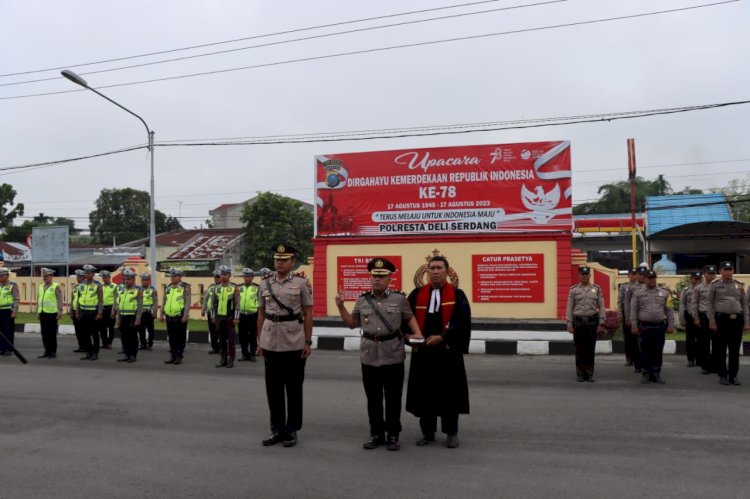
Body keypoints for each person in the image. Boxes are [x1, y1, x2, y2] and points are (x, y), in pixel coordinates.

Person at [336, 257, 422, 451]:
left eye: (381, 276)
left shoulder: (399, 299)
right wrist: (341, 306)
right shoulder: (362, 299)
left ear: (389, 279)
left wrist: (417, 333)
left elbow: (409, 317)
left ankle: (393, 434)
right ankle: (377, 434)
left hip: (393, 353)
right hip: (369, 355)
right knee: (373, 398)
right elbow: (352, 324)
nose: (377, 280)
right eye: (374, 276)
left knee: (393, 397)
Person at [406, 255, 471, 449]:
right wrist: (408, 336)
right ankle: (427, 432)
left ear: (447, 271)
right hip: (424, 353)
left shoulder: (458, 295)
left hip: (448, 353)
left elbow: (462, 322)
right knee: (425, 393)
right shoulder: (416, 295)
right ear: (427, 272)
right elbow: (405, 318)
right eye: (431, 268)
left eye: (439, 268)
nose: (435, 272)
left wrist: (443, 337)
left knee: (449, 394)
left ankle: (451, 433)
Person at [257, 243, 313, 448]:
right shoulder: (264, 283)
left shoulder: (301, 283)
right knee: (273, 389)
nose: (279, 262)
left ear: (292, 262)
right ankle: (277, 429)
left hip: (294, 341)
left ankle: (291, 429)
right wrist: (260, 341)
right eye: (277, 259)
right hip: (271, 340)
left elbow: (308, 313)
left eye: (284, 259)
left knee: (293, 388)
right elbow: (261, 313)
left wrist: (307, 341)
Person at [707, 261, 749, 386]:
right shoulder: (714, 285)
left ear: (733, 271)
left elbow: (744, 304)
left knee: (734, 350)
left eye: (730, 269)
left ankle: (733, 375)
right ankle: (723, 375)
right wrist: (712, 321)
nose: (728, 272)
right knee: (721, 349)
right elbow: (709, 304)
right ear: (720, 271)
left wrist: (747, 322)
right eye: (725, 269)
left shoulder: (739, 285)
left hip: (737, 320)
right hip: (721, 320)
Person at [631, 270, 674, 384]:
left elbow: (669, 310)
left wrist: (670, 325)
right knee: (644, 351)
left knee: (658, 351)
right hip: (644, 327)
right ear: (645, 279)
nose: (652, 280)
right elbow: (634, 311)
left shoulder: (664, 293)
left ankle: (656, 373)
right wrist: (634, 326)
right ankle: (645, 373)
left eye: (653, 278)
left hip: (659, 327)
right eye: (649, 278)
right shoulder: (638, 293)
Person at [566, 266, 605, 382]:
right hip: (578, 323)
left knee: (590, 349)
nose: (585, 276)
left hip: (592, 322)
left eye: (586, 274)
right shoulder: (573, 290)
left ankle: (589, 373)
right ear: (579, 276)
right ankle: (580, 373)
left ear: (590, 275)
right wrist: (569, 323)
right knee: (579, 349)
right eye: (582, 274)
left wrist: (601, 323)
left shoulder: (597, 289)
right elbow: (569, 307)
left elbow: (602, 306)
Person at [160, 268, 191, 365]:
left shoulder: (185, 287)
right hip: (169, 316)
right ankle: (172, 356)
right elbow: (164, 301)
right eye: (172, 276)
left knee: (180, 338)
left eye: (175, 276)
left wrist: (185, 316)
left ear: (180, 277)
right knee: (172, 338)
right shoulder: (168, 288)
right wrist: (161, 314)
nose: (172, 278)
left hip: (180, 316)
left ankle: (179, 356)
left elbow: (187, 303)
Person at [691, 265, 717, 374]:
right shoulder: (698, 288)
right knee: (704, 343)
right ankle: (705, 366)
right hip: (704, 317)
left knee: (717, 343)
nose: (711, 275)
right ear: (704, 274)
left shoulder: (718, 286)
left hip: (716, 317)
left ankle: (716, 365)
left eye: (713, 273)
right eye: (709, 273)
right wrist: (696, 318)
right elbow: (694, 303)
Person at [114, 269, 143, 363]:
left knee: (132, 337)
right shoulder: (122, 290)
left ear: (133, 280)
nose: (126, 281)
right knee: (124, 336)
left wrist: (138, 319)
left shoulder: (138, 290)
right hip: (123, 316)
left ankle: (133, 355)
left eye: (129, 279)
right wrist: (118, 318)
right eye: (125, 279)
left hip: (132, 316)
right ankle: (126, 354)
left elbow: (140, 306)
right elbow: (119, 304)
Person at [623, 266, 648, 373]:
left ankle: (646, 364)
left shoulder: (650, 286)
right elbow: (627, 304)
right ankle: (637, 364)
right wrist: (628, 318)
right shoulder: (631, 288)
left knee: (646, 343)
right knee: (634, 342)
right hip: (635, 319)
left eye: (643, 274)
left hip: (646, 318)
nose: (641, 276)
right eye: (639, 274)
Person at [75, 264, 103, 361]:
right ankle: (88, 352)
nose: (87, 275)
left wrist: (99, 313)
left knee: (95, 334)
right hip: (83, 312)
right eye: (86, 273)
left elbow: (100, 300)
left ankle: (95, 353)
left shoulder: (97, 285)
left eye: (89, 273)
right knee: (85, 334)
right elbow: (79, 299)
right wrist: (77, 312)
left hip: (93, 313)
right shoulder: (81, 285)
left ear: (93, 274)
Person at [213, 265, 237, 368]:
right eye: (222, 274)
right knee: (221, 340)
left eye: (225, 274)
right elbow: (213, 304)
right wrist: (213, 317)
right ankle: (223, 358)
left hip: (230, 318)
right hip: (219, 318)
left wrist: (236, 317)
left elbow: (237, 304)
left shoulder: (234, 287)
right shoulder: (216, 288)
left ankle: (231, 359)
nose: (223, 276)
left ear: (229, 275)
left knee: (231, 340)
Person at [36, 267, 63, 359]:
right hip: (43, 313)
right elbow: (39, 299)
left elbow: (59, 300)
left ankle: (52, 351)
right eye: (44, 276)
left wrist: (60, 312)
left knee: (51, 334)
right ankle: (46, 351)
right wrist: (38, 312)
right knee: (44, 333)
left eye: (46, 276)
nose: (44, 277)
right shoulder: (41, 286)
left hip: (52, 313)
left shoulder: (56, 286)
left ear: (51, 276)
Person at [235, 268, 260, 362]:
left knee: (253, 335)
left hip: (253, 315)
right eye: (245, 276)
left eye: (249, 276)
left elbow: (260, 302)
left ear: (252, 277)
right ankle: (245, 354)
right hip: (241, 315)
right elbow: (236, 301)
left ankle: (253, 354)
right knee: (242, 336)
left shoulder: (257, 288)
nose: (247, 278)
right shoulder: (238, 287)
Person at [617, 268, 639, 369]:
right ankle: (629, 358)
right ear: (628, 276)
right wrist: (620, 314)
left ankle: (637, 359)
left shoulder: (642, 286)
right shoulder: (624, 286)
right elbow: (619, 301)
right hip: (627, 314)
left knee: (637, 338)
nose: (634, 276)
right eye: (632, 274)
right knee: (628, 338)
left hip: (638, 316)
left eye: (635, 274)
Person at [679, 271, 702, 367]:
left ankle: (700, 359)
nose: (697, 280)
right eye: (695, 278)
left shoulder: (704, 289)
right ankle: (691, 359)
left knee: (701, 340)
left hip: (701, 317)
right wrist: (682, 318)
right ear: (691, 279)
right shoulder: (686, 290)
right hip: (690, 317)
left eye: (699, 279)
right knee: (690, 340)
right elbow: (682, 304)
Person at [0, 267, 20, 357]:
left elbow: (16, 299)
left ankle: (9, 349)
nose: (0, 277)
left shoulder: (13, 285)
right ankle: (2, 348)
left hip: (8, 311)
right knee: (1, 331)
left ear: (7, 276)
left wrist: (14, 311)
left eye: (1, 275)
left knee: (8, 331)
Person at [202, 271, 221, 354]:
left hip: (220, 313)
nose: (216, 279)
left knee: (220, 331)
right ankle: (214, 348)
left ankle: (221, 347)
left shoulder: (224, 287)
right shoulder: (211, 287)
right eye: (215, 277)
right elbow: (205, 299)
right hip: (210, 312)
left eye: (218, 277)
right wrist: (203, 309)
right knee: (212, 331)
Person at [138, 272, 157, 350]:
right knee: (141, 329)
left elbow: (155, 301)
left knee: (150, 329)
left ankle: (150, 344)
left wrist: (154, 311)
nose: (144, 281)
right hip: (141, 312)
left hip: (149, 312)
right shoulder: (138, 289)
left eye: (145, 280)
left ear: (148, 280)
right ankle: (143, 344)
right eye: (143, 280)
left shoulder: (153, 289)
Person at [98, 270, 117, 349]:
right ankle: (104, 342)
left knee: (111, 327)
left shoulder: (114, 286)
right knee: (102, 327)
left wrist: (114, 310)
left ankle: (109, 342)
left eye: (105, 277)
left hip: (110, 309)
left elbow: (116, 299)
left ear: (109, 277)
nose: (104, 279)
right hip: (102, 309)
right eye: (103, 278)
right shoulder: (100, 286)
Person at [70, 269, 86, 353]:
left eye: (80, 277)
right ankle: (81, 346)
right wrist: (71, 311)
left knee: (83, 330)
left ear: (84, 277)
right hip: (75, 309)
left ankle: (85, 346)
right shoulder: (75, 287)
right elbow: (73, 299)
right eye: (77, 277)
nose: (78, 278)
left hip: (82, 311)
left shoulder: (85, 286)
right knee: (78, 330)